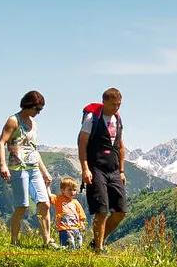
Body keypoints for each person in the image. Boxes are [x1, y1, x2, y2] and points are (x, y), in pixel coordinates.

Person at [0, 91, 50, 247]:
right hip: (18, 167)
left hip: (33, 167)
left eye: (40, 109)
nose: (38, 113)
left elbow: (34, 150)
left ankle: (47, 241)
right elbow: (2, 143)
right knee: (22, 206)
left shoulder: (34, 125)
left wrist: (44, 171)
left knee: (44, 203)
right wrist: (3, 165)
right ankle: (14, 241)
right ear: (28, 105)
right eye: (37, 109)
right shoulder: (14, 121)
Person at [78, 89, 127, 252]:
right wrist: (85, 168)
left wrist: (121, 170)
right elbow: (82, 144)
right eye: (113, 104)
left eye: (119, 104)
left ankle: (96, 243)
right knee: (101, 210)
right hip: (96, 168)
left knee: (120, 212)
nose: (117, 107)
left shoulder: (118, 119)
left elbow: (120, 146)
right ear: (104, 101)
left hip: (114, 170)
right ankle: (98, 250)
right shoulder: (93, 118)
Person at [49, 175, 88, 249]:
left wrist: (82, 223)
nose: (72, 192)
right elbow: (49, 196)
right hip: (64, 229)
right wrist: (47, 185)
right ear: (63, 190)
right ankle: (59, 249)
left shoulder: (75, 202)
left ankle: (61, 249)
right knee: (69, 245)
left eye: (74, 190)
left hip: (76, 228)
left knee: (78, 244)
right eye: (69, 189)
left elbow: (81, 214)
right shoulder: (58, 199)